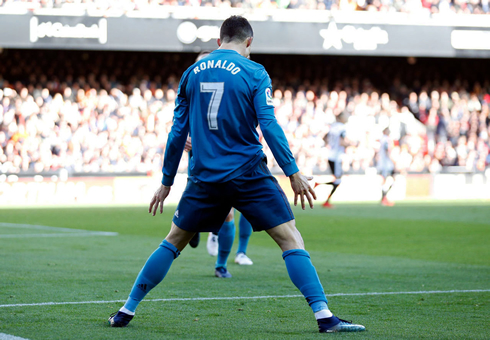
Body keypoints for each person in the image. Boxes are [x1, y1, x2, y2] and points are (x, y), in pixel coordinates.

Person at [108, 15, 365, 333]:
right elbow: (268, 125)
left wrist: (166, 182)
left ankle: (126, 309)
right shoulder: (255, 72)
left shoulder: (191, 74)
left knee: (173, 242)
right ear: (249, 42)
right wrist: (292, 171)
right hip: (248, 174)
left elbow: (177, 133)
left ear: (218, 42)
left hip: (205, 177)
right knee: (290, 239)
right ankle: (324, 316)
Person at [315, 112, 350, 208]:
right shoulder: (342, 128)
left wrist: (331, 144)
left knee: (338, 179)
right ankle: (326, 199)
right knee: (338, 180)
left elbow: (324, 137)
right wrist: (351, 144)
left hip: (331, 155)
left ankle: (319, 185)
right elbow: (342, 142)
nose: (347, 118)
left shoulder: (332, 127)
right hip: (337, 157)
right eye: (346, 116)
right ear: (341, 117)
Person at [377, 127, 395, 206]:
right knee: (390, 180)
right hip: (386, 164)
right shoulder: (386, 139)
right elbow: (387, 150)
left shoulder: (382, 139)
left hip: (383, 163)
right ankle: (384, 198)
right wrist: (392, 160)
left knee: (387, 180)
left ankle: (383, 198)